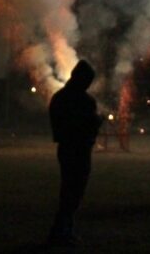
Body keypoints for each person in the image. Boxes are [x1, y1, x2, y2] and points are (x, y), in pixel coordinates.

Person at [48, 60, 103, 246]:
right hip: (79, 149)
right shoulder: (85, 101)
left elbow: (57, 125)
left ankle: (62, 229)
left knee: (67, 190)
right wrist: (97, 121)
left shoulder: (58, 97)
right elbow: (89, 126)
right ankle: (62, 230)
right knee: (75, 191)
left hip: (65, 148)